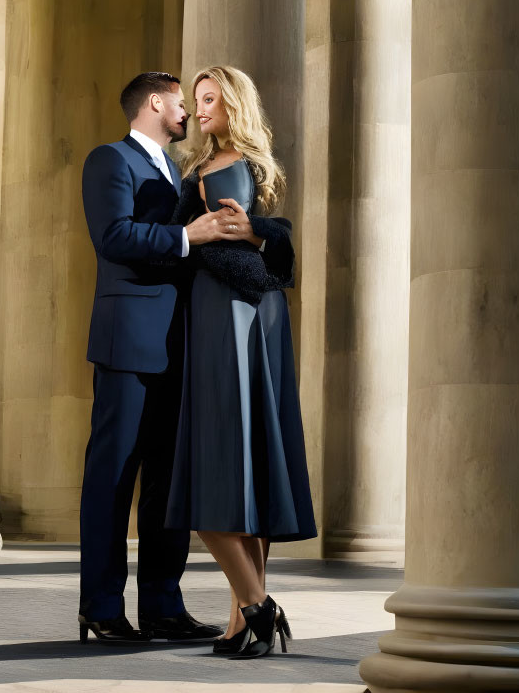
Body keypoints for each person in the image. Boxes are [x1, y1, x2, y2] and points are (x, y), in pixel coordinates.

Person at [166, 65, 317, 659]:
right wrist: (258, 235)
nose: (199, 109)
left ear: (233, 104)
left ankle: (255, 609)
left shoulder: (227, 168)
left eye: (208, 100)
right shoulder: (216, 165)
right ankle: (242, 621)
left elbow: (239, 231)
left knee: (223, 463)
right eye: (195, 101)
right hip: (237, 312)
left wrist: (248, 233)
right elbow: (263, 236)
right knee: (245, 461)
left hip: (231, 313)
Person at [77, 71, 229, 645]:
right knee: (113, 479)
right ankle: (101, 607)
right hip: (127, 342)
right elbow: (113, 236)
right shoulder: (109, 161)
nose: (188, 112)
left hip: (176, 344)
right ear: (154, 102)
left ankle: (164, 605)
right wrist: (190, 237)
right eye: (181, 103)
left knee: (168, 483)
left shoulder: (177, 170)